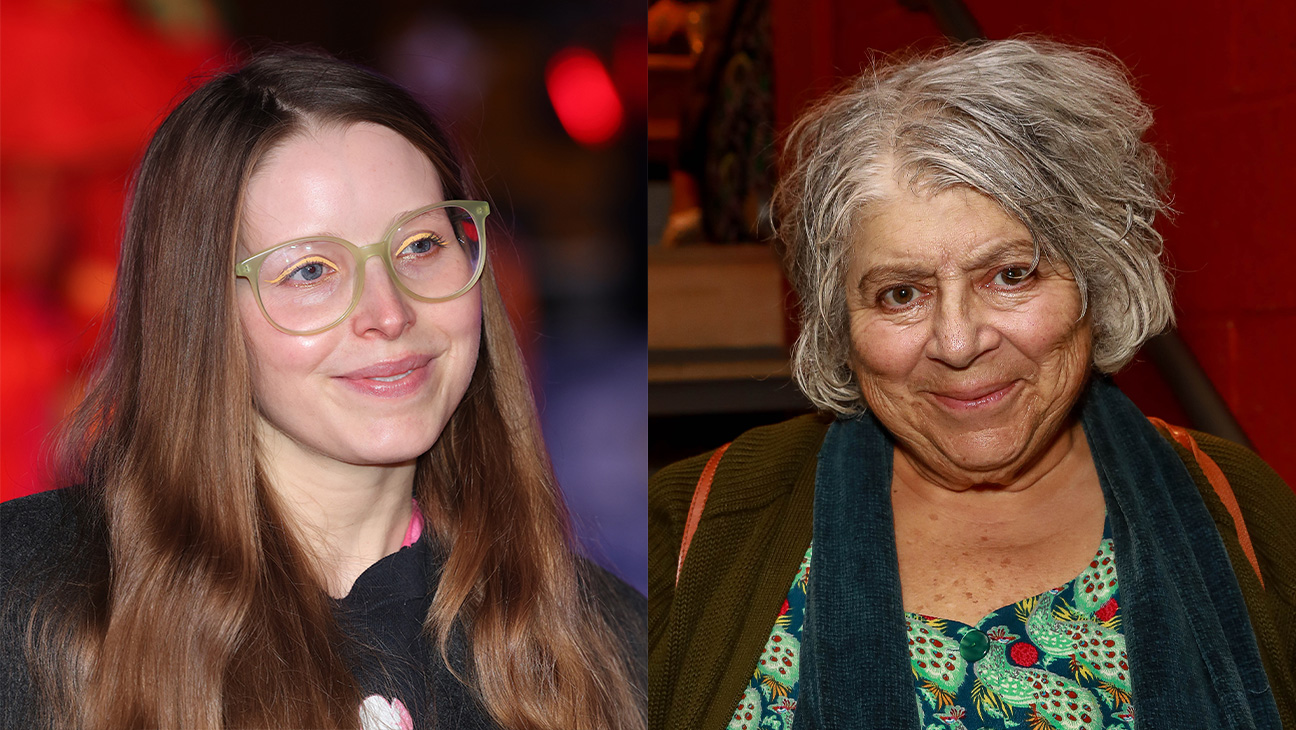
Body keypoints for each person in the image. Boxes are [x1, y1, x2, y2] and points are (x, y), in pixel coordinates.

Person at [649, 39, 1295, 730]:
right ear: (839, 320)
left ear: (1096, 278)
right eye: (900, 293)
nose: (958, 342)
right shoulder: (692, 526)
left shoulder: (1239, 509)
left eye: (1011, 274)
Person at [0, 51, 646, 730]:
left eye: (421, 246)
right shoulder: (29, 599)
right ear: (198, 312)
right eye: (311, 271)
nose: (390, 313)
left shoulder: (606, 644)